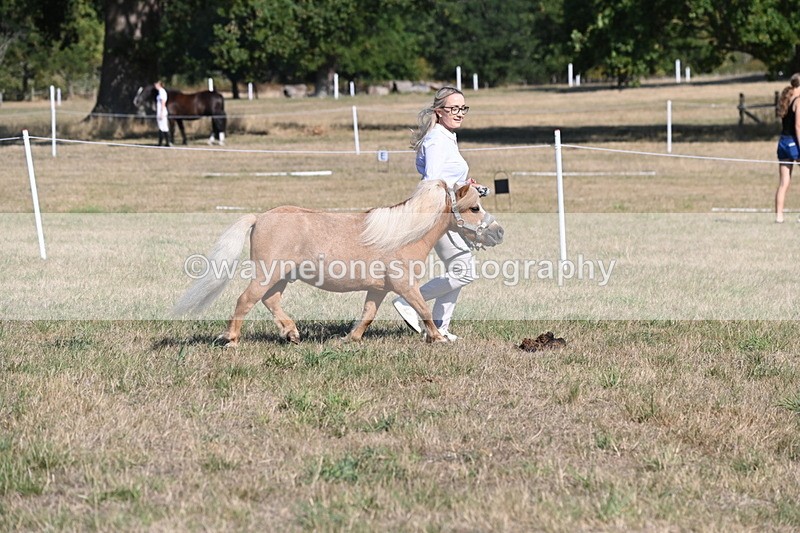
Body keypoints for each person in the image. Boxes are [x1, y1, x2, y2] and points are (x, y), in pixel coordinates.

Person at [392, 86, 488, 341]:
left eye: (463, 108)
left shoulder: (447, 135)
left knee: (459, 270)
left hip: (450, 210)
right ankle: (408, 300)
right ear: (439, 110)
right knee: (464, 271)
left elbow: (447, 178)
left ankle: (440, 328)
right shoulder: (436, 139)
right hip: (439, 214)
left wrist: (467, 186)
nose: (460, 113)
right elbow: (432, 181)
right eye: (454, 108)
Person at [775, 73, 800, 223]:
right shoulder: (798, 101)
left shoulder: (786, 98)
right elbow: (798, 126)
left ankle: (779, 217)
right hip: (794, 143)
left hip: (783, 143)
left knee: (784, 183)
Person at [154, 80, 171, 147]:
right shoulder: (160, 92)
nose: (155, 86)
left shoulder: (162, 91)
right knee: (163, 127)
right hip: (160, 111)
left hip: (161, 111)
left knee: (162, 127)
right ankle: (166, 142)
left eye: (156, 84)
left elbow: (163, 102)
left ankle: (162, 142)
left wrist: (161, 112)